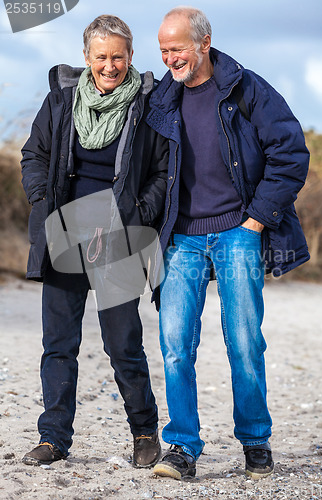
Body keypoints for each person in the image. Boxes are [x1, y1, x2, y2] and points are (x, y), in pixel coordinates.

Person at [145, 6, 310, 480]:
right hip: (182, 239)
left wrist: (257, 221)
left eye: (176, 48)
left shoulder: (246, 88)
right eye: (163, 50)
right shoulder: (161, 97)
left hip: (239, 232)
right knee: (175, 344)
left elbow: (291, 152)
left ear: (204, 42)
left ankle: (256, 441)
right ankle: (181, 448)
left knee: (244, 342)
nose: (169, 58)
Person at [20, 14, 168, 467]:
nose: (110, 65)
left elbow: (162, 171)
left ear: (130, 57)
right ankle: (53, 439)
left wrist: (137, 215)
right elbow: (34, 155)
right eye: (101, 56)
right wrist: (44, 201)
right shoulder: (62, 101)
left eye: (118, 57)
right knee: (58, 342)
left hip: (119, 239)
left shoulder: (148, 105)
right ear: (87, 57)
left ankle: (144, 432)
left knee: (122, 342)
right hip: (65, 235)